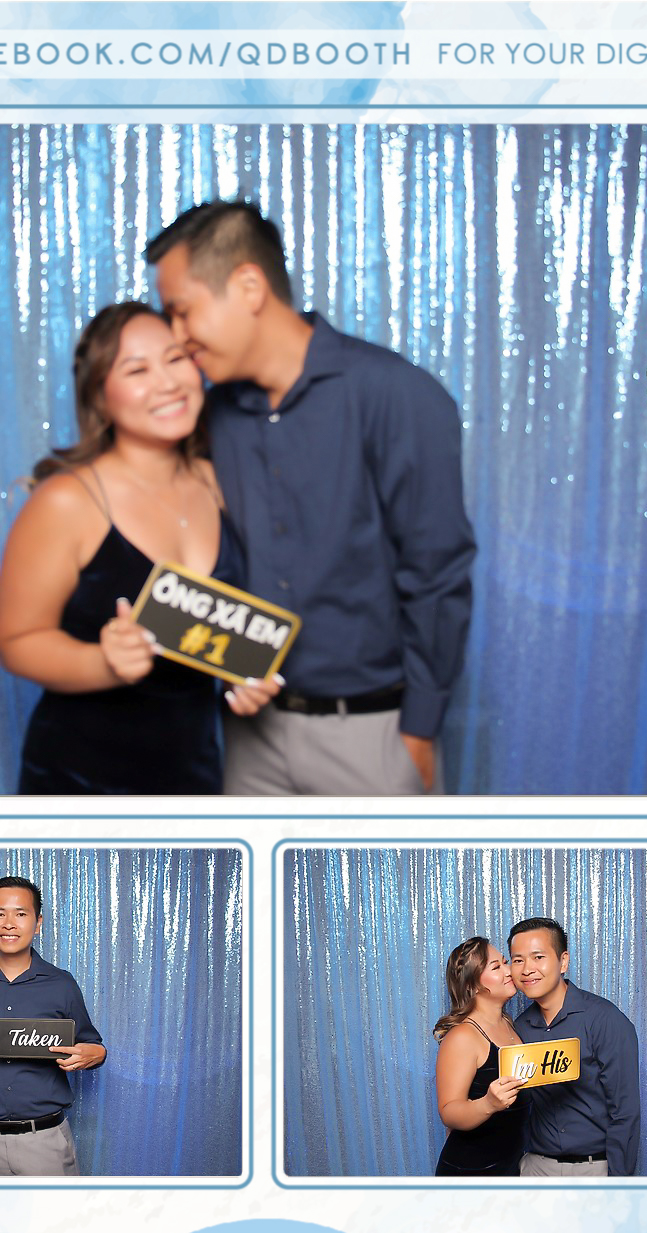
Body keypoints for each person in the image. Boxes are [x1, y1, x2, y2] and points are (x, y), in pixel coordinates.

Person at [147, 200, 476, 798]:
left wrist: (419, 732)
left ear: (249, 287)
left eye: (182, 311)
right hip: (250, 733)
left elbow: (436, 572)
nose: (176, 336)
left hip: (372, 734)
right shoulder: (212, 415)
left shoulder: (395, 394)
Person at [0, 300, 277, 796]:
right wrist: (103, 663)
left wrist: (244, 676)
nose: (167, 383)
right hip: (80, 786)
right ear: (101, 398)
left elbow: (220, 628)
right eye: (137, 370)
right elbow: (16, 641)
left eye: (175, 359)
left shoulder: (221, 484)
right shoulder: (68, 501)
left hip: (194, 779)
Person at [0, 877, 105, 1177]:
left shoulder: (61, 984)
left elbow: (93, 1045)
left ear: (38, 923)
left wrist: (96, 1054)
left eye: (20, 914)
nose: (9, 923)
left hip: (45, 1141)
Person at [508, 916, 641, 1178]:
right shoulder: (519, 1028)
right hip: (536, 1167)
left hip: (594, 1169)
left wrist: (619, 1185)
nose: (527, 969)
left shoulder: (604, 1020)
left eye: (538, 957)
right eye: (518, 960)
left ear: (563, 962)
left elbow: (625, 1112)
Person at [433, 937, 526, 1178]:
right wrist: (488, 1104)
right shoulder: (463, 1036)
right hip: (469, 1173)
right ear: (472, 986)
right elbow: (448, 1111)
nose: (509, 971)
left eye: (505, 962)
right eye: (496, 967)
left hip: (508, 1168)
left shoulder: (509, 1024)